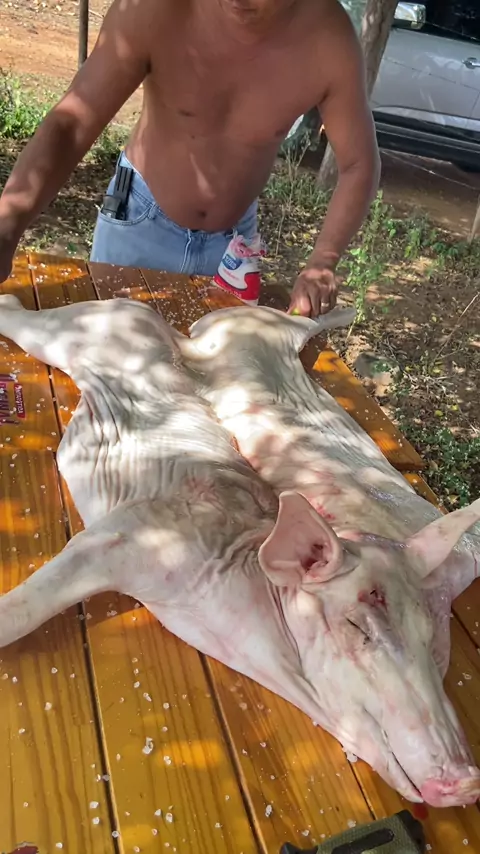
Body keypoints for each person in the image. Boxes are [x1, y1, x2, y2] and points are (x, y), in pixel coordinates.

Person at [0, 0, 380, 316]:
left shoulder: (327, 40)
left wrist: (322, 262)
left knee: (214, 381)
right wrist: (8, 221)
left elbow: (358, 164)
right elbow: (71, 123)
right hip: (140, 224)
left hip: (232, 250)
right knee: (106, 366)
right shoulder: (152, 9)